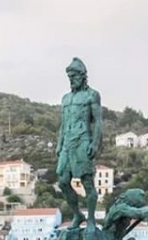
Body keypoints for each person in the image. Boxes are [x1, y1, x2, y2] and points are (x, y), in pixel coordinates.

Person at [56, 57, 103, 230]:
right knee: (62, 181)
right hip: (67, 143)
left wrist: (95, 143)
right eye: (69, 77)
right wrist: (59, 144)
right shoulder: (65, 98)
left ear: (83, 76)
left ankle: (91, 219)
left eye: (74, 76)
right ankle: (77, 214)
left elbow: (97, 121)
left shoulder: (92, 95)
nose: (71, 80)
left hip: (83, 140)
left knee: (87, 182)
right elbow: (63, 123)